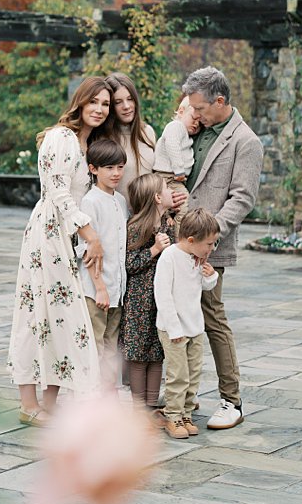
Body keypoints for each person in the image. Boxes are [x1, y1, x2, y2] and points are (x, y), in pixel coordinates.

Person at [7, 77, 112, 426]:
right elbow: (57, 192)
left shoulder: (92, 145)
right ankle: (27, 402)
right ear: (80, 102)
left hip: (69, 237)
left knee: (63, 318)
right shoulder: (60, 138)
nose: (99, 109)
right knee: (37, 313)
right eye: (93, 101)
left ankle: (50, 402)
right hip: (48, 234)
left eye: (105, 104)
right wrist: (89, 233)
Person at [182, 66, 264, 431]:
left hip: (209, 247)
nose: (193, 113)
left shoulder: (247, 142)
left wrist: (207, 236)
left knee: (212, 318)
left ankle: (232, 401)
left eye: (199, 107)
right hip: (175, 243)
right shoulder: (193, 130)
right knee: (174, 317)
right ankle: (184, 394)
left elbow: (242, 199)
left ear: (220, 101)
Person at [154, 208, 220, 440]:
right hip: (174, 330)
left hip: (194, 327)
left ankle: (186, 413)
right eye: (210, 244)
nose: (212, 249)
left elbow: (204, 287)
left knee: (193, 374)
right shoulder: (170, 257)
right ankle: (172, 415)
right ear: (191, 240)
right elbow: (163, 295)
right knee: (178, 374)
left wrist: (210, 275)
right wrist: (174, 329)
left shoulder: (197, 258)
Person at [77, 138, 130, 391]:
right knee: (95, 348)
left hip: (117, 289)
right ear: (93, 169)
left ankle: (108, 402)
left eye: (120, 167)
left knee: (111, 350)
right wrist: (99, 287)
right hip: (97, 290)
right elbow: (87, 251)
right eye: (109, 168)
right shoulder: (90, 201)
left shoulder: (120, 200)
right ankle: (91, 402)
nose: (116, 173)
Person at [121, 173, 174, 416]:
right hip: (138, 300)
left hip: (161, 299)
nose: (171, 191)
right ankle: (138, 407)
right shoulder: (135, 227)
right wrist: (154, 249)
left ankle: (152, 405)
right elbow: (129, 263)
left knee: (157, 352)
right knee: (138, 353)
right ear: (157, 197)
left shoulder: (168, 224)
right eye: (166, 188)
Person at [104, 73, 157, 212]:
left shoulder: (148, 132)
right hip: (118, 219)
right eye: (118, 102)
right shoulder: (103, 139)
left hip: (149, 219)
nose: (126, 106)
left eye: (130, 99)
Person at [153, 96, 199, 216]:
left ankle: (169, 228)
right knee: (183, 206)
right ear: (181, 112)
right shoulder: (176, 126)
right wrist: (179, 170)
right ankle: (179, 234)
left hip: (174, 178)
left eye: (200, 123)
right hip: (169, 176)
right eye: (194, 118)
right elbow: (172, 145)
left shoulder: (185, 133)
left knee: (170, 208)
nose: (196, 123)